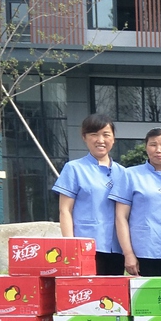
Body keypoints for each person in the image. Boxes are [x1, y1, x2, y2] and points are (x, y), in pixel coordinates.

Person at [53, 113, 125, 275]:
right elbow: (65, 210)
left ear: (113, 138)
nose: (100, 140)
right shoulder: (74, 168)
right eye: (94, 134)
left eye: (106, 134)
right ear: (84, 137)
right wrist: (70, 245)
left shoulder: (123, 173)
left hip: (116, 247)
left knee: (113, 290)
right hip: (85, 245)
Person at [110, 127, 161, 277]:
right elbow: (121, 217)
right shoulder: (130, 175)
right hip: (143, 251)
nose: (158, 150)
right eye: (153, 145)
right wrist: (128, 253)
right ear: (146, 148)